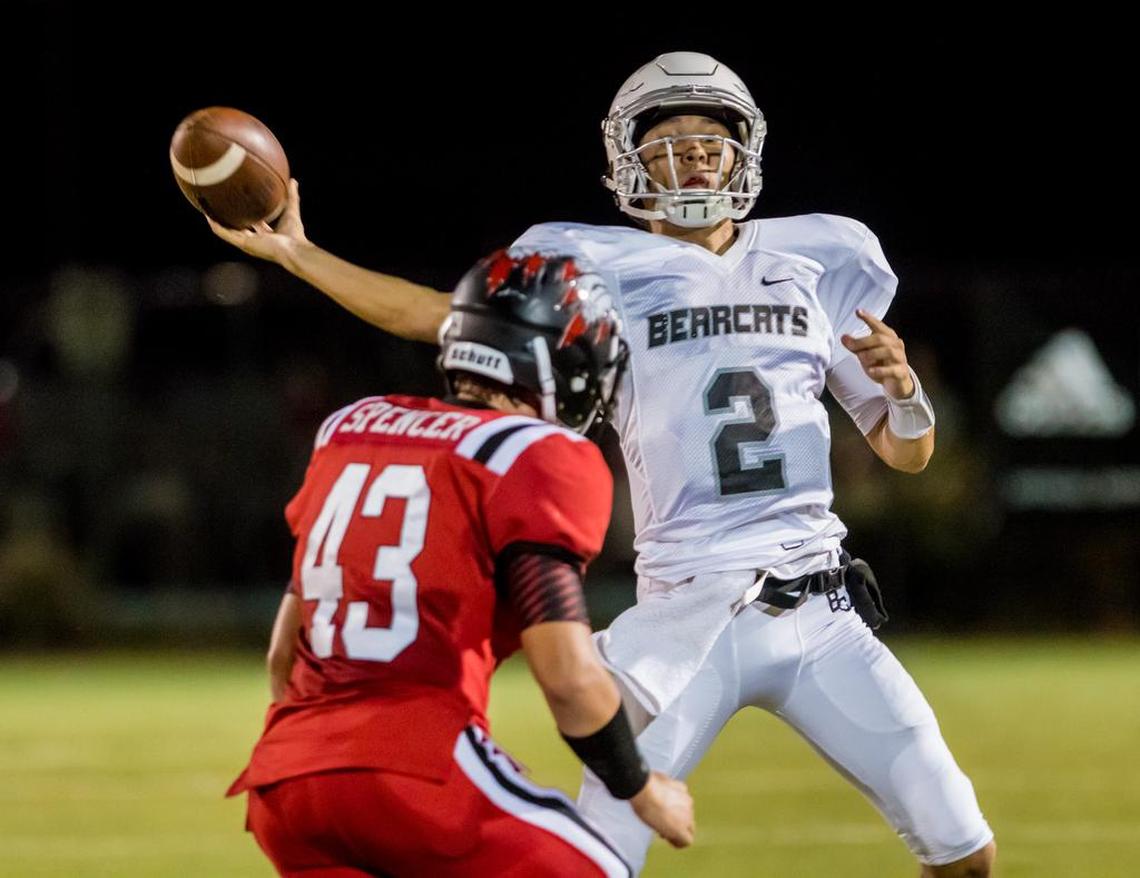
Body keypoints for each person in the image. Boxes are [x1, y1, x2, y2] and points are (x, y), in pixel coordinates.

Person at [209, 51, 995, 877]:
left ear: (746, 150)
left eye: (711, 138)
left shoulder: (822, 256)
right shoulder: (593, 264)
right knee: (595, 862)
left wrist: (905, 393)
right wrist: (300, 253)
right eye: (670, 140)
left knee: (965, 852)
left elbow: (907, 453)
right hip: (688, 612)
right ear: (629, 160)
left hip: (823, 609)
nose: (694, 153)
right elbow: (437, 316)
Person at [225, 250, 695, 877]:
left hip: (286, 783)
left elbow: (283, 655)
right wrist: (641, 788)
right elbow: (567, 677)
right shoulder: (532, 453)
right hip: (418, 772)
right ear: (552, 360)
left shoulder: (350, 429)